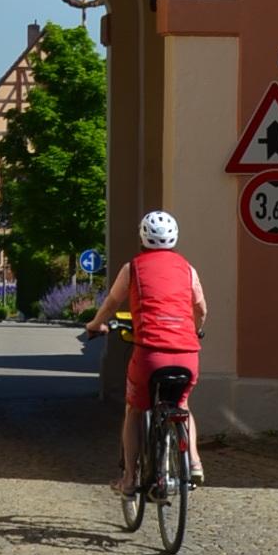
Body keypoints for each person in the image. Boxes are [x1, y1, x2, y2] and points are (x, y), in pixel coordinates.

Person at [85, 211, 207, 494]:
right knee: (183, 404)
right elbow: (201, 309)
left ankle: (129, 479)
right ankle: (195, 461)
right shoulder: (188, 269)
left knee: (135, 409)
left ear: (141, 237)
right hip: (188, 354)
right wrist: (196, 329)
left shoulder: (133, 268)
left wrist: (95, 324)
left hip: (150, 355)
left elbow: (112, 303)